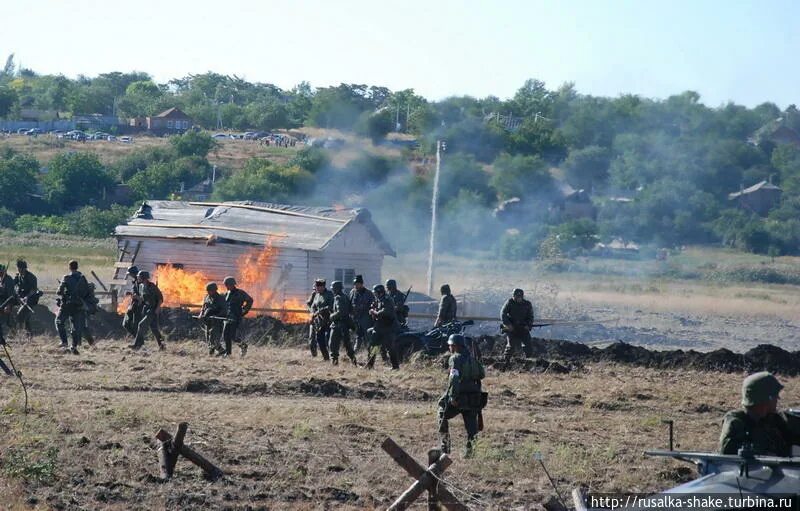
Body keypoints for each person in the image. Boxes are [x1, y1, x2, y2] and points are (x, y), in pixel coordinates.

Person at [719, 371, 800, 456]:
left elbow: (794, 438)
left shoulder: (775, 420)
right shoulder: (736, 423)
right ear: (765, 399)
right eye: (775, 396)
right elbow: (727, 456)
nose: (777, 399)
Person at [438, 334, 485, 457]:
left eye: (450, 345)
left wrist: (453, 396)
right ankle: (471, 452)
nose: (449, 348)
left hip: (460, 394)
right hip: (473, 395)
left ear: (455, 346)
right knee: (471, 427)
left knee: (442, 412)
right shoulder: (473, 359)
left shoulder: (455, 358)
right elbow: (482, 374)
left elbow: (454, 377)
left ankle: (445, 448)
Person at [55, 260, 92, 354]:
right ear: (77, 267)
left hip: (67, 305)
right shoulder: (83, 278)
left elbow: (59, 292)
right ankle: (73, 346)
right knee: (75, 327)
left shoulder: (66, 277)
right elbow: (87, 292)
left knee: (59, 321)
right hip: (79, 305)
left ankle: (64, 341)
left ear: (70, 267)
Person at [366, 284, 399, 370]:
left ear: (380, 292)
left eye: (376, 293)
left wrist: (375, 312)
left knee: (390, 348)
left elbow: (385, 312)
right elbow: (374, 306)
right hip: (379, 326)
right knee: (374, 346)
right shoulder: (378, 299)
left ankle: (395, 367)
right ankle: (370, 365)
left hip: (388, 327)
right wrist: (372, 309)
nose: (375, 294)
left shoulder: (388, 300)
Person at [130, 271, 165, 351]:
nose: (137, 278)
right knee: (154, 329)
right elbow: (143, 299)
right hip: (146, 309)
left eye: (139, 277)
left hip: (152, 310)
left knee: (141, 325)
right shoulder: (141, 286)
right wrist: (137, 297)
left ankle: (137, 345)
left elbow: (160, 298)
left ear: (144, 278)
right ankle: (162, 345)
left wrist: (157, 309)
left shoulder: (152, 286)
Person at [501, 288, 535, 364]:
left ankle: (528, 363)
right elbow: (503, 314)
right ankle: (506, 362)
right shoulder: (509, 302)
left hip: (523, 329)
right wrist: (508, 324)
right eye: (516, 296)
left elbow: (531, 317)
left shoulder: (527, 304)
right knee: (511, 346)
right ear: (513, 296)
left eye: (519, 296)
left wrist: (528, 325)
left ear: (522, 296)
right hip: (512, 329)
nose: (518, 298)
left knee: (528, 346)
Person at [222, 276, 253, 357]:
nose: (226, 286)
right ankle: (228, 353)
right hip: (227, 317)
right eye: (226, 285)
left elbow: (250, 300)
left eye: (227, 285)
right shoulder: (227, 294)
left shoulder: (240, 293)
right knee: (225, 335)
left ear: (232, 284)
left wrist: (245, 310)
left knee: (233, 336)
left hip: (236, 316)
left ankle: (243, 346)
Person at [329, 280, 357, 366]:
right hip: (345, 324)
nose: (332, 290)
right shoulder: (345, 296)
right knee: (347, 344)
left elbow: (340, 312)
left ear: (336, 289)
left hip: (338, 325)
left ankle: (334, 361)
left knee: (332, 344)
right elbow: (351, 310)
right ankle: (353, 359)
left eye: (333, 288)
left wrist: (332, 316)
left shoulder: (338, 298)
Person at [309, 278, 334, 360]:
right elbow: (313, 306)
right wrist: (313, 313)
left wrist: (320, 311)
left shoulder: (329, 294)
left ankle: (333, 357)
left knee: (329, 340)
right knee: (319, 339)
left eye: (318, 287)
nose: (317, 288)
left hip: (329, 320)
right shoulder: (317, 295)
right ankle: (326, 357)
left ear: (323, 286)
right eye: (316, 287)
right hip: (320, 321)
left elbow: (331, 307)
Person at [13, 259, 39, 338]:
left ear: (24, 268)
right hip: (21, 298)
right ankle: (27, 335)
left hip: (30, 299)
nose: (18, 270)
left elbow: (33, 290)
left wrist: (26, 297)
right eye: (18, 268)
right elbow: (13, 285)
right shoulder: (18, 276)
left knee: (21, 315)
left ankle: (22, 334)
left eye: (20, 268)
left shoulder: (31, 277)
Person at [200, 282, 226, 356]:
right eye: (207, 291)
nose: (208, 292)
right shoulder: (207, 297)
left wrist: (217, 315)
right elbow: (203, 306)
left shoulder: (220, 298)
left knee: (214, 338)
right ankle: (213, 353)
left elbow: (224, 310)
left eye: (210, 290)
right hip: (207, 321)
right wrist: (201, 314)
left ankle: (221, 351)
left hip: (216, 322)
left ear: (215, 290)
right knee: (208, 338)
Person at [349, 275, 374, 352]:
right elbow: (349, 304)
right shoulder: (352, 292)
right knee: (358, 336)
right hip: (356, 319)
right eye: (355, 284)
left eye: (358, 284)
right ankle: (355, 353)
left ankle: (371, 354)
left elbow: (373, 305)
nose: (356, 285)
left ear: (362, 284)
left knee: (368, 337)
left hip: (366, 318)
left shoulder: (369, 293)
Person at [122, 265, 142, 337]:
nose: (130, 275)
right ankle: (136, 337)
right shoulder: (135, 281)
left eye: (130, 274)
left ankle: (138, 340)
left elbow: (140, 295)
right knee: (126, 324)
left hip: (137, 305)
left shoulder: (140, 282)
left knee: (135, 324)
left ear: (133, 273)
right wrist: (130, 294)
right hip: (133, 305)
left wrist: (132, 294)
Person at [0, 264, 14, 330]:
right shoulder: (1, 279)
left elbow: (11, 295)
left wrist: (8, 305)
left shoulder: (8, 280)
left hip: (7, 301)